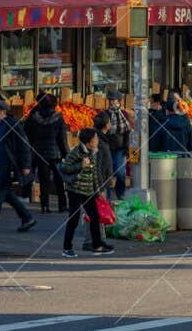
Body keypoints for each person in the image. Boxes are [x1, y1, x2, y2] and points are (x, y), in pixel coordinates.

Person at [57, 126, 115, 258]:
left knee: (94, 217)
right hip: (75, 190)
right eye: (95, 139)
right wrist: (80, 165)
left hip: (88, 190)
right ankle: (67, 248)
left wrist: (99, 191)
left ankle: (97, 245)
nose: (97, 140)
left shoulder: (93, 152)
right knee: (74, 218)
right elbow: (64, 167)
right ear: (88, 142)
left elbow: (94, 173)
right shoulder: (76, 152)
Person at [0, 100, 36, 234]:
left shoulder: (12, 125)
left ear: (3, 112)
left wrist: (26, 165)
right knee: (7, 194)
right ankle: (27, 217)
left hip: (7, 164)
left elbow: (24, 145)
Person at [24, 93, 69, 213]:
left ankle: (45, 205)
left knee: (44, 180)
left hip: (39, 153)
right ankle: (62, 205)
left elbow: (27, 133)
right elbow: (62, 139)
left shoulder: (34, 117)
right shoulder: (58, 117)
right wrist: (66, 154)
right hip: (55, 153)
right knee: (59, 180)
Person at [92, 91, 133, 200]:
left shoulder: (124, 115)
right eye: (110, 100)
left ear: (119, 101)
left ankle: (121, 195)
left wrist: (126, 147)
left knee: (120, 174)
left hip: (120, 148)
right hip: (107, 147)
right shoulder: (105, 114)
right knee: (107, 173)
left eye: (113, 100)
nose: (111, 102)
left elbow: (127, 132)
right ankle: (108, 198)